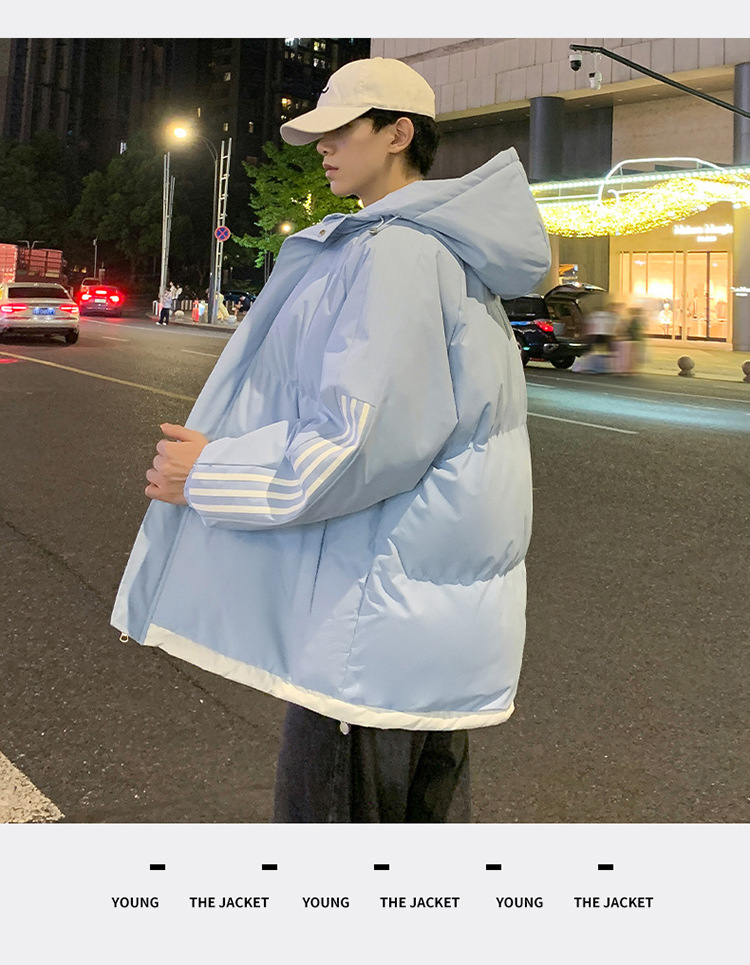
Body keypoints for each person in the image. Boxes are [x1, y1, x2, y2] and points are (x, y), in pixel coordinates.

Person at [112, 57, 551, 823]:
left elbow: (361, 443)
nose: (322, 145)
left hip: (369, 629)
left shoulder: (398, 253)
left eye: (341, 129)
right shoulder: (451, 254)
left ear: (399, 134)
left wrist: (206, 473)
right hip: (421, 627)